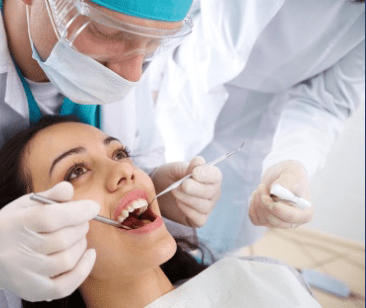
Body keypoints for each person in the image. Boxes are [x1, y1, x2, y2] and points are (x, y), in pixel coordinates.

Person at [0, 0, 222, 307]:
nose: (132, 75)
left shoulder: (128, 55)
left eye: (153, 45)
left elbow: (142, 147)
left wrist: (156, 185)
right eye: (108, 32)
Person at [0, 115, 321, 308]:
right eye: (76, 171)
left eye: (119, 154)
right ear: (34, 237)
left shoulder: (267, 280)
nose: (125, 171)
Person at [147, 0, 365, 254]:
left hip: (248, 137)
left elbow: (326, 101)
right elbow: (175, 13)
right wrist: (148, 83)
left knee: (199, 255)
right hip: (176, 90)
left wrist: (293, 164)